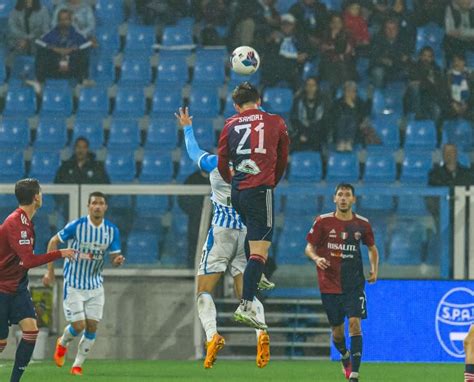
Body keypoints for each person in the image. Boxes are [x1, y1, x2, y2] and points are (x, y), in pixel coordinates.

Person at [175, 106, 273, 369]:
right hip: (247, 232)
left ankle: (212, 335)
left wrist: (187, 127)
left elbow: (193, 152)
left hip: (221, 231)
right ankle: (261, 333)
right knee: (246, 292)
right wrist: (257, 112)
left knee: (203, 289)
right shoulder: (255, 165)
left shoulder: (215, 162)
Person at [217, 82, 289, 329]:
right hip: (260, 190)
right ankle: (245, 305)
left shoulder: (230, 124)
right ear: (259, 100)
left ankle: (261, 277)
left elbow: (222, 161)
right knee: (260, 249)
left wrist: (233, 182)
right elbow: (282, 158)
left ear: (237, 106)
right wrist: (272, 183)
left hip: (239, 191)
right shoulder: (276, 121)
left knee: (253, 234)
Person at [0, 178, 76, 382]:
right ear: (36, 197)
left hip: (17, 287)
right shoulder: (16, 223)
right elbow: (29, 260)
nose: (41, 195)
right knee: (1, 343)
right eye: (40, 192)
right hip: (2, 288)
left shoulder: (25, 221)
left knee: (31, 331)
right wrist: (60, 253)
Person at [42, 191, 124, 376]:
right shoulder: (77, 226)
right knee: (78, 326)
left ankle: (77, 365)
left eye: (101, 203)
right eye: (94, 202)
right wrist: (50, 271)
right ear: (88, 206)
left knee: (93, 326)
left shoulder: (111, 230)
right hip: (74, 284)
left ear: (105, 207)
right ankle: (62, 343)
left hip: (95, 285)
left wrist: (117, 260)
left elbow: (113, 256)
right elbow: (53, 241)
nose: (97, 206)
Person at [305, 183, 379, 382]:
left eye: (348, 195)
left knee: (355, 324)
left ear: (354, 199)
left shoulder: (362, 224)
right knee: (337, 334)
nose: (344, 198)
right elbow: (309, 247)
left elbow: (372, 248)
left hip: (354, 284)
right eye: (340, 195)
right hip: (329, 284)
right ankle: (344, 355)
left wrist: (374, 269)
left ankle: (354, 374)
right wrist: (316, 258)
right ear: (334, 199)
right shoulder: (323, 222)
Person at [35, 8, 91, 82]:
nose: (63, 22)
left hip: (71, 68)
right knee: (42, 51)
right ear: (57, 21)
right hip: (54, 67)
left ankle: (82, 82)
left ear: (71, 21)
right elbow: (39, 42)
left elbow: (87, 44)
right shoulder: (50, 34)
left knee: (82, 53)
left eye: (66, 19)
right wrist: (54, 49)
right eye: (61, 19)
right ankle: (40, 83)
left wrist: (70, 50)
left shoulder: (77, 35)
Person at [261, 13, 309, 89]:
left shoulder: (299, 39)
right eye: (284, 25)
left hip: (294, 69)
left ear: (294, 26)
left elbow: (308, 51)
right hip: (279, 70)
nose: (286, 27)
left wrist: (305, 55)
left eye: (289, 25)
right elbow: (273, 56)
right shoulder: (275, 38)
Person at [177, 169, 210, 267]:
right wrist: (195, 212)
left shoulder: (218, 177)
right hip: (195, 220)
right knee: (194, 245)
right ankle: (192, 271)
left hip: (214, 221)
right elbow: (182, 200)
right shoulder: (192, 179)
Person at [289, 76, 330, 152]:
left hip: (317, 133)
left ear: (317, 87)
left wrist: (308, 134)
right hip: (301, 132)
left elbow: (324, 121)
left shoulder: (323, 101)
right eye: (308, 85)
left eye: (313, 85)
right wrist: (303, 133)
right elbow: (294, 119)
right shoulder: (298, 100)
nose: (310, 88)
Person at [405, 46, 446, 120]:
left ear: (432, 58)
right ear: (420, 56)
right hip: (415, 99)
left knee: (437, 111)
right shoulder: (414, 66)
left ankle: (433, 130)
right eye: (424, 55)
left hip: (430, 99)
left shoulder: (437, 69)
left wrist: (423, 82)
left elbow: (438, 87)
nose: (426, 58)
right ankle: (417, 116)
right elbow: (413, 83)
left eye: (429, 56)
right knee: (415, 88)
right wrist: (428, 82)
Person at [330, 80, 372, 151]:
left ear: (356, 93)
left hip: (355, 131)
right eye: (348, 91)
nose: (350, 94)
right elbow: (334, 116)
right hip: (339, 130)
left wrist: (352, 107)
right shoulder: (338, 102)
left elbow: (364, 115)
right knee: (343, 119)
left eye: (353, 91)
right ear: (344, 92)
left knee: (352, 120)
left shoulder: (360, 102)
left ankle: (349, 142)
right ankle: (341, 142)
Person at [369, 18, 411, 88]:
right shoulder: (377, 40)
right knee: (378, 72)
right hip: (383, 70)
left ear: (397, 30)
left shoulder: (403, 41)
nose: (391, 31)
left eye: (393, 28)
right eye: (388, 28)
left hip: (397, 70)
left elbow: (405, 58)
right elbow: (374, 57)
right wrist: (382, 59)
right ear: (384, 30)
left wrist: (392, 60)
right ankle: (379, 95)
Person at [446, 53, 474, 121]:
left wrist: (467, 103)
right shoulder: (448, 76)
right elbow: (445, 93)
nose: (456, 63)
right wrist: (453, 103)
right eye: (454, 61)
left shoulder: (470, 75)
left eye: (459, 60)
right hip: (453, 105)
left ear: (464, 62)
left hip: (468, 104)